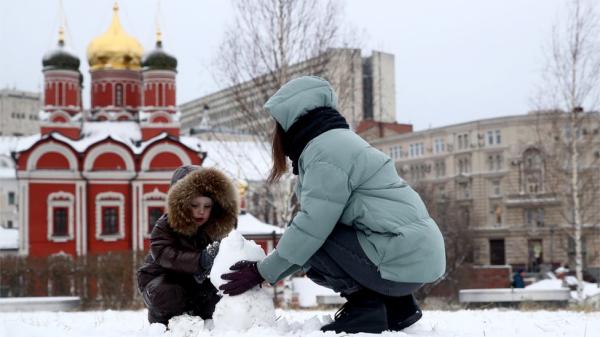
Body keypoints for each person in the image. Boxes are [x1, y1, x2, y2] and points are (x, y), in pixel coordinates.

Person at [219, 76, 446, 334]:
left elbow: (312, 228)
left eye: (277, 124)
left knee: (314, 240)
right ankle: (398, 307)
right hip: (413, 256)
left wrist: (260, 272)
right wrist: (270, 271)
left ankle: (366, 308)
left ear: (290, 120)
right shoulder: (336, 142)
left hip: (400, 254)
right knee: (309, 247)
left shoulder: (325, 152)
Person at [137, 165, 239, 326]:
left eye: (207, 206)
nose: (201, 212)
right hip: (165, 277)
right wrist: (200, 260)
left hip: (198, 283)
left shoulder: (216, 227)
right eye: (194, 205)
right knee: (168, 295)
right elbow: (163, 252)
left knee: (220, 296)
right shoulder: (166, 225)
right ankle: (162, 321)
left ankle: (202, 318)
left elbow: (230, 253)